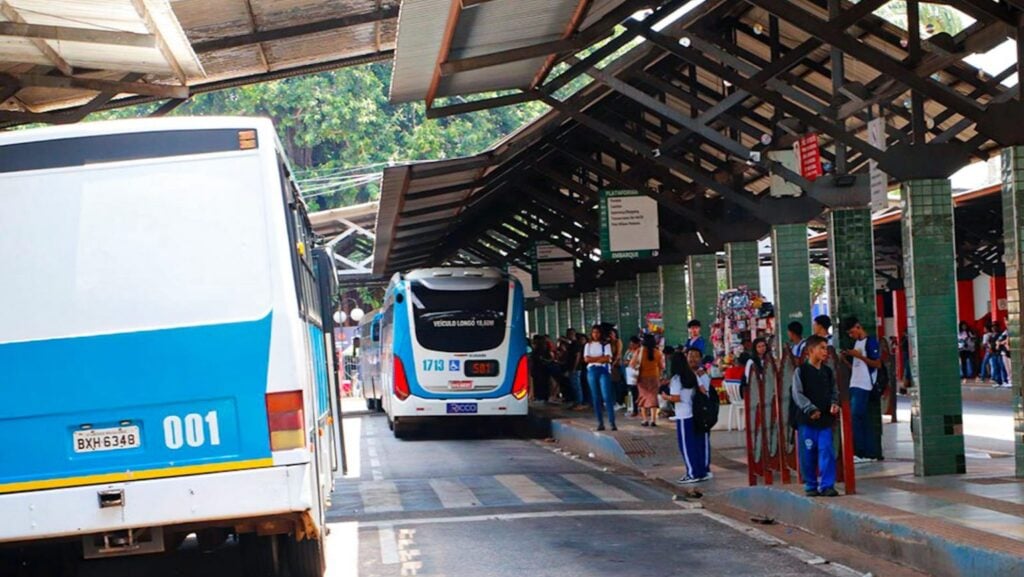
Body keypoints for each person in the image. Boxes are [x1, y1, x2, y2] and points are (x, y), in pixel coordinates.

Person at [792, 335, 840, 497]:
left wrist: (834, 403)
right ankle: (811, 485)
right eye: (822, 348)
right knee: (808, 454)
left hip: (825, 420)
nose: (825, 352)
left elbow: (834, 391)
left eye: (826, 348)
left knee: (826, 451)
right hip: (807, 421)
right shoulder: (801, 371)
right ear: (811, 350)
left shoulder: (827, 372)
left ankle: (827, 485)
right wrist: (810, 409)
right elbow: (797, 394)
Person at [661, 350, 710, 484]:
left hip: (683, 415)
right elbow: (703, 390)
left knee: (686, 446)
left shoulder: (676, 379)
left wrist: (666, 397)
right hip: (695, 413)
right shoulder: (693, 375)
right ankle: (701, 471)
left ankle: (692, 473)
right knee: (695, 444)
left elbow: (676, 398)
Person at [841, 316, 882, 463]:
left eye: (852, 332)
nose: (851, 335)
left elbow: (877, 364)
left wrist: (860, 356)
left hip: (864, 385)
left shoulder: (870, 342)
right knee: (861, 418)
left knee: (856, 417)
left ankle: (862, 452)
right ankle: (868, 451)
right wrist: (847, 359)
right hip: (855, 383)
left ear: (858, 327)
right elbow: (857, 367)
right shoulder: (857, 343)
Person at [584, 325, 617, 431]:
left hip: (603, 371)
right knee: (596, 397)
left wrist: (594, 359)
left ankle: (612, 422)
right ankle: (600, 422)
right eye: (594, 332)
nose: (595, 334)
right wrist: (600, 358)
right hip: (592, 370)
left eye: (597, 332)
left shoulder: (606, 345)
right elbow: (586, 359)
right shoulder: (588, 345)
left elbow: (608, 358)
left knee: (607, 396)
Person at [631, 333, 665, 427]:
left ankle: (645, 419)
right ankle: (653, 420)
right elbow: (662, 366)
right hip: (654, 377)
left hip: (642, 377)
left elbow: (632, 364)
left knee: (643, 398)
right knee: (653, 398)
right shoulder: (658, 352)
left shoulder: (639, 351)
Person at [562, 328, 583, 409]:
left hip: (575, 368)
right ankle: (576, 401)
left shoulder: (576, 344)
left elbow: (577, 356)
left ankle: (579, 402)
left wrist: (574, 368)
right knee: (573, 385)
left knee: (576, 385)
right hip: (571, 367)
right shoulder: (571, 344)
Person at [623, 336, 641, 416]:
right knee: (630, 391)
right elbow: (624, 361)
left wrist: (631, 362)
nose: (632, 346)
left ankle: (636, 409)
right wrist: (628, 362)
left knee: (636, 391)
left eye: (633, 344)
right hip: (628, 372)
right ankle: (630, 408)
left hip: (636, 372)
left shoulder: (640, 351)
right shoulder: (628, 351)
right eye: (631, 344)